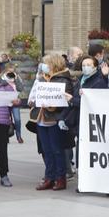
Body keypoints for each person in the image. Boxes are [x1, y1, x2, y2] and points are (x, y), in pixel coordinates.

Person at [30, 54, 75, 191]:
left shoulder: (63, 80)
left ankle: (60, 178)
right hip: (42, 118)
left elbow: (64, 102)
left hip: (54, 119)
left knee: (57, 150)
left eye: (46, 63)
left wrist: (50, 103)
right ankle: (49, 177)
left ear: (53, 64)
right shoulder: (43, 78)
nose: (44, 66)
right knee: (46, 150)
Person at [1, 68, 23, 145]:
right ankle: (6, 137)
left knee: (17, 119)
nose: (11, 73)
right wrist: (6, 80)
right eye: (9, 71)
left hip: (15, 103)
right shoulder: (2, 79)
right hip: (5, 103)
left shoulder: (16, 79)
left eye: (12, 71)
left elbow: (21, 88)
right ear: (5, 72)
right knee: (6, 120)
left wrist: (16, 79)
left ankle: (19, 136)